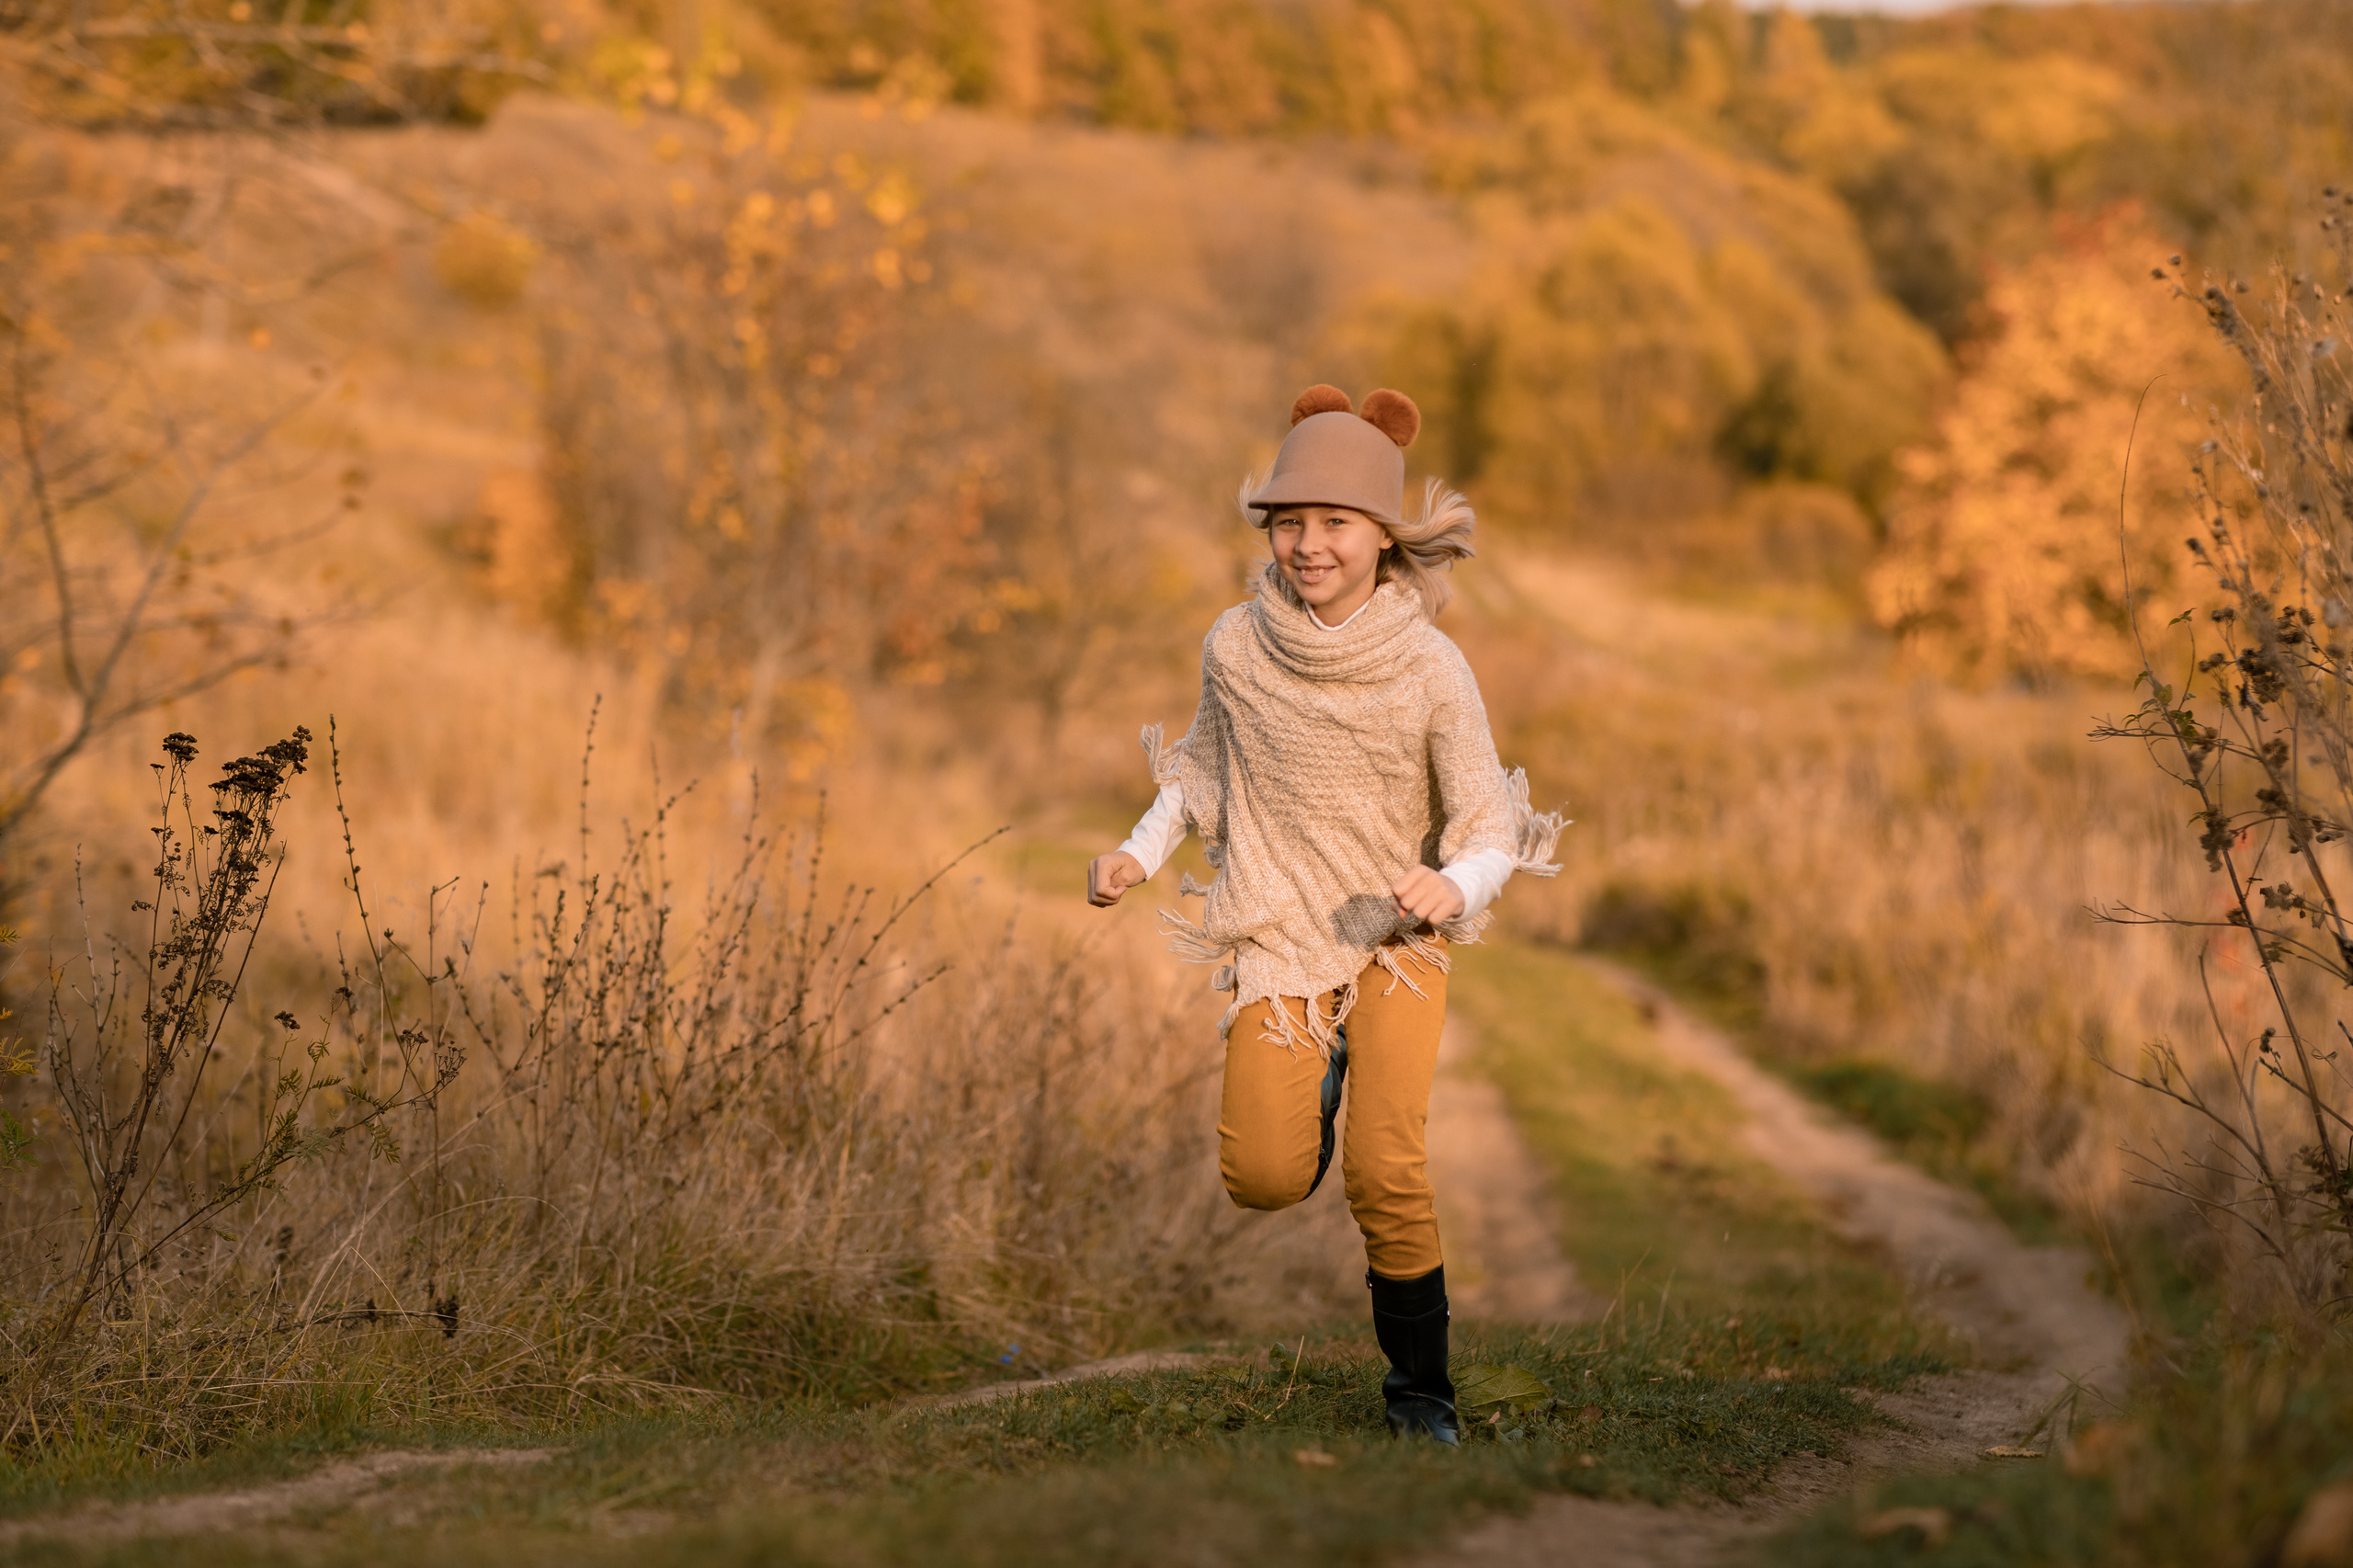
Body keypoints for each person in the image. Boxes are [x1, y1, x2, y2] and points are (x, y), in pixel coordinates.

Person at [1086, 383, 1562, 1444]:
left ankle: (1420, 1398)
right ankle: (1319, 1068)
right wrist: (1134, 851)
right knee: (1259, 1175)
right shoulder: (1236, 645)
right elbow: (1203, 767)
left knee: (1386, 1168)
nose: (1307, 545)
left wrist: (1456, 883)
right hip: (1280, 938)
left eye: (1333, 524)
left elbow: (1488, 822)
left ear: (1382, 537)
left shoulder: (1432, 669)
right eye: (1288, 522)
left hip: (1396, 944)